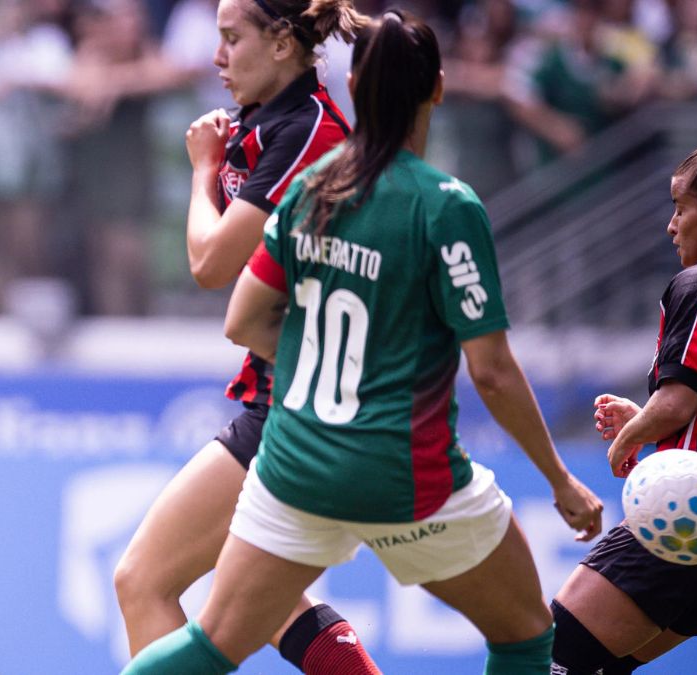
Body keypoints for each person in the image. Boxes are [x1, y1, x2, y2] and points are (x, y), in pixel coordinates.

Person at [121, 10, 604, 675]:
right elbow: (490, 370)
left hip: (299, 444)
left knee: (204, 626)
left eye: (231, 38)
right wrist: (560, 479)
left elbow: (237, 311)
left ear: (349, 79)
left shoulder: (314, 180)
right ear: (438, 87)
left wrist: (315, 368)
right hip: (397, 458)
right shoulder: (444, 202)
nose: (217, 57)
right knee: (525, 633)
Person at [112, 0, 382, 672]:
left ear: (285, 43)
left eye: (233, 39)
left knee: (143, 579)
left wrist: (203, 169)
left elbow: (211, 264)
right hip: (300, 395)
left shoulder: (309, 132)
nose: (216, 57)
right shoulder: (267, 123)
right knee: (266, 601)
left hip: (298, 401)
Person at [551, 141, 697, 674]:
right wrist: (649, 423)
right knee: (604, 667)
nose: (672, 225)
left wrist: (629, 439)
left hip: (693, 518)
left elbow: (679, 399)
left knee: (547, 656)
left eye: (681, 207)